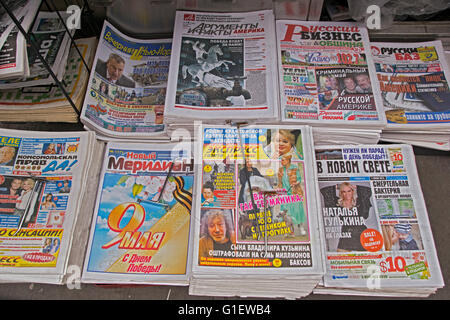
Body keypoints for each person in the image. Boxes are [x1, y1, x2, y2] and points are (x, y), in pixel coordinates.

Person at [320, 182, 373, 252]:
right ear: (341, 193)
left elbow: (367, 190)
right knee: (340, 258)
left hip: (360, 233)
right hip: (346, 233)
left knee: (363, 260)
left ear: (352, 191)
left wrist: (356, 186)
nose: (347, 194)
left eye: (349, 191)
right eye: (344, 192)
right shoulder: (338, 203)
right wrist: (338, 186)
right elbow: (325, 190)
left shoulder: (359, 201)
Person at [277, 155, 306, 235]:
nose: (281, 162)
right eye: (281, 160)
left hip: (294, 192)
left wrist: (295, 183)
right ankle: (287, 230)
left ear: (288, 160)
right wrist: (280, 192)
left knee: (297, 210)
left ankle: (301, 227)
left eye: (283, 160)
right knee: (285, 212)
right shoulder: (280, 170)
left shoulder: (294, 168)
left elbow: (299, 179)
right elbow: (279, 182)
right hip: (285, 193)